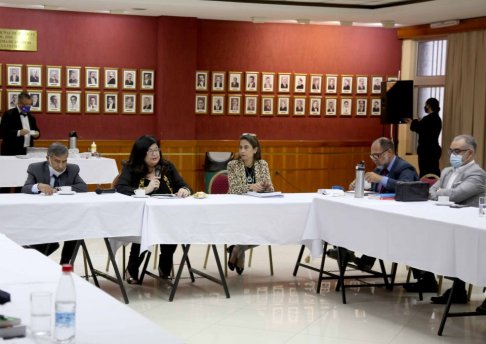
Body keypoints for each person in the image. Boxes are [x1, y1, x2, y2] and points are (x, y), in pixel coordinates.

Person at [407, 135, 486, 297]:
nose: (452, 155)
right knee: (415, 234)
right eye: (451, 151)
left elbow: (455, 195)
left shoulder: (478, 174)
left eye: (457, 151)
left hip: (467, 226)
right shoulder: (447, 171)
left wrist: (440, 192)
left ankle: (458, 288)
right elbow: (430, 191)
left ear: (470, 153)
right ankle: (427, 278)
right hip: (443, 220)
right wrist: (440, 193)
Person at [327, 138, 419, 270]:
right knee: (349, 214)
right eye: (372, 156)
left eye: (377, 155)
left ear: (389, 152)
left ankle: (353, 254)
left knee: (370, 222)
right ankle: (346, 250)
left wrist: (382, 179)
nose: (374, 159)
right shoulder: (380, 169)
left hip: (401, 217)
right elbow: (376, 189)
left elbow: (407, 188)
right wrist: (359, 184)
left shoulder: (405, 168)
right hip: (382, 213)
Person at [116, 135, 192, 283]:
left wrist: (184, 191)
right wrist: (145, 190)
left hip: (166, 216)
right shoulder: (131, 169)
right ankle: (132, 269)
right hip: (139, 217)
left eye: (156, 150)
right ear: (140, 153)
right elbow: (120, 188)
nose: (155, 154)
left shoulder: (167, 168)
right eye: (150, 151)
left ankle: (164, 266)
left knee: (172, 229)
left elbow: (186, 186)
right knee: (143, 231)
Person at [21, 143, 88, 264]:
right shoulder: (35, 168)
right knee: (45, 241)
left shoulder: (73, 169)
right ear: (48, 159)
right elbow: (25, 188)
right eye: (57, 161)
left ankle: (65, 265)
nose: (61, 166)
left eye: (64, 161)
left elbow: (83, 187)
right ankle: (32, 260)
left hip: (66, 215)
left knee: (77, 228)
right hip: (41, 216)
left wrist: (59, 189)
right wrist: (38, 186)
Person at [227, 134, 274, 274]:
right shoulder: (232, 165)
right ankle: (240, 255)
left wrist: (267, 186)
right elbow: (232, 189)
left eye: (246, 147)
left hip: (258, 210)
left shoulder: (263, 164)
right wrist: (250, 187)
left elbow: (271, 188)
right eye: (240, 147)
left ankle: (236, 249)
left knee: (269, 231)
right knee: (247, 226)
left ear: (255, 150)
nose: (242, 151)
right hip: (237, 209)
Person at [404, 98, 442, 177]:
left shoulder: (428, 118)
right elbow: (423, 131)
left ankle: (425, 187)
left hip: (426, 151)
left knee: (425, 172)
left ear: (428, 105)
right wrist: (412, 123)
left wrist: (415, 119)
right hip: (434, 149)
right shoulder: (437, 119)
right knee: (434, 170)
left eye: (425, 105)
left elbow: (416, 127)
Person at [0, 92, 40, 156]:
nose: (28, 107)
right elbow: (2, 132)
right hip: (11, 151)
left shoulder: (31, 117)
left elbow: (36, 130)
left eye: (30, 104)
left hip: (28, 151)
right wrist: (18, 132)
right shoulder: (8, 114)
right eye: (26, 104)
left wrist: (37, 134)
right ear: (19, 103)